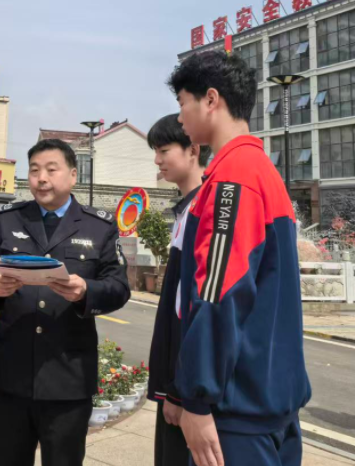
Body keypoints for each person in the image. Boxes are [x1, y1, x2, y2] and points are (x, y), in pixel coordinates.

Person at [168, 51, 310, 466]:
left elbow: (219, 291)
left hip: (236, 412)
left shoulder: (232, 179)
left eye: (183, 103)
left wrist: (197, 399)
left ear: (211, 99)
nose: (180, 117)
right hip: (272, 401)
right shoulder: (262, 170)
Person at [0, 138, 130, 466]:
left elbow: (118, 287)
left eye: (51, 170)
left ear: (72, 175)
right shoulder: (8, 220)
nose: (41, 178)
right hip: (9, 378)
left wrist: (86, 291)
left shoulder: (99, 226)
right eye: (34, 170)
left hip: (67, 380)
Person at [145, 114, 210, 466]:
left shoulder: (205, 209)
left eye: (164, 150)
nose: (157, 160)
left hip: (184, 391)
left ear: (193, 150)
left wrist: (180, 392)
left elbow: (196, 312)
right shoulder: (186, 209)